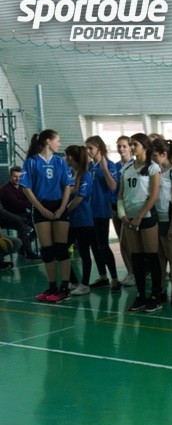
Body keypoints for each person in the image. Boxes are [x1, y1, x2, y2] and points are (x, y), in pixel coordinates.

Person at [22, 130, 75, 303]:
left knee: (61, 248)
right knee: (47, 250)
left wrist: (62, 208)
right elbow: (26, 187)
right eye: (57, 140)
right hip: (41, 206)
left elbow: (67, 185)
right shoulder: (31, 162)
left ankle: (65, 287)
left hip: (59, 205)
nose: (60, 144)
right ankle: (52, 286)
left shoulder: (60, 161)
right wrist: (40, 208)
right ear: (48, 141)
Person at [118, 133, 163, 312]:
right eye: (130, 144)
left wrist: (139, 216)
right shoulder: (127, 168)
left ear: (145, 147)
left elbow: (154, 195)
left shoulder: (153, 167)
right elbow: (121, 195)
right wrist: (122, 215)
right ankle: (141, 295)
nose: (131, 147)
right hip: (130, 218)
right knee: (136, 257)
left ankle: (156, 296)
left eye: (134, 144)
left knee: (151, 257)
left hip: (146, 217)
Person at [84, 136, 121, 291]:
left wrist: (104, 169)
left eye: (91, 148)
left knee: (103, 246)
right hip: (89, 211)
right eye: (86, 148)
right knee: (94, 246)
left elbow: (113, 186)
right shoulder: (89, 166)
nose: (88, 151)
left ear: (99, 148)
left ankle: (115, 279)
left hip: (102, 210)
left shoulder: (109, 165)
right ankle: (103, 277)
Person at [151, 138, 172, 305]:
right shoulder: (156, 171)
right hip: (155, 219)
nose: (152, 158)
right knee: (160, 257)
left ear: (164, 154)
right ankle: (162, 289)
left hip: (167, 219)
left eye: (155, 155)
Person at [63, 145, 95, 297]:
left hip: (83, 220)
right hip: (72, 221)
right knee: (61, 249)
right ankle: (74, 281)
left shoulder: (86, 175)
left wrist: (63, 211)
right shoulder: (71, 173)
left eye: (66, 156)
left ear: (70, 157)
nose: (65, 159)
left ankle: (85, 284)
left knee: (84, 252)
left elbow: (79, 198)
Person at [0, 168, 40, 260]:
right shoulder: (5, 189)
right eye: (15, 176)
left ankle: (26, 242)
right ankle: (29, 252)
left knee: (39, 221)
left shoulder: (23, 187)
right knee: (20, 223)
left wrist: (32, 203)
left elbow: (30, 200)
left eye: (20, 176)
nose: (18, 179)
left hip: (22, 213)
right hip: (8, 216)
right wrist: (32, 202)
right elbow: (16, 203)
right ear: (10, 176)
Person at [112, 136, 135, 286]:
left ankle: (136, 272)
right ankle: (130, 272)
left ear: (130, 147)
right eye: (119, 146)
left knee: (129, 243)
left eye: (124, 146)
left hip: (130, 209)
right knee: (122, 244)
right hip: (116, 208)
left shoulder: (135, 165)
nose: (121, 149)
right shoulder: (114, 166)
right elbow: (113, 189)